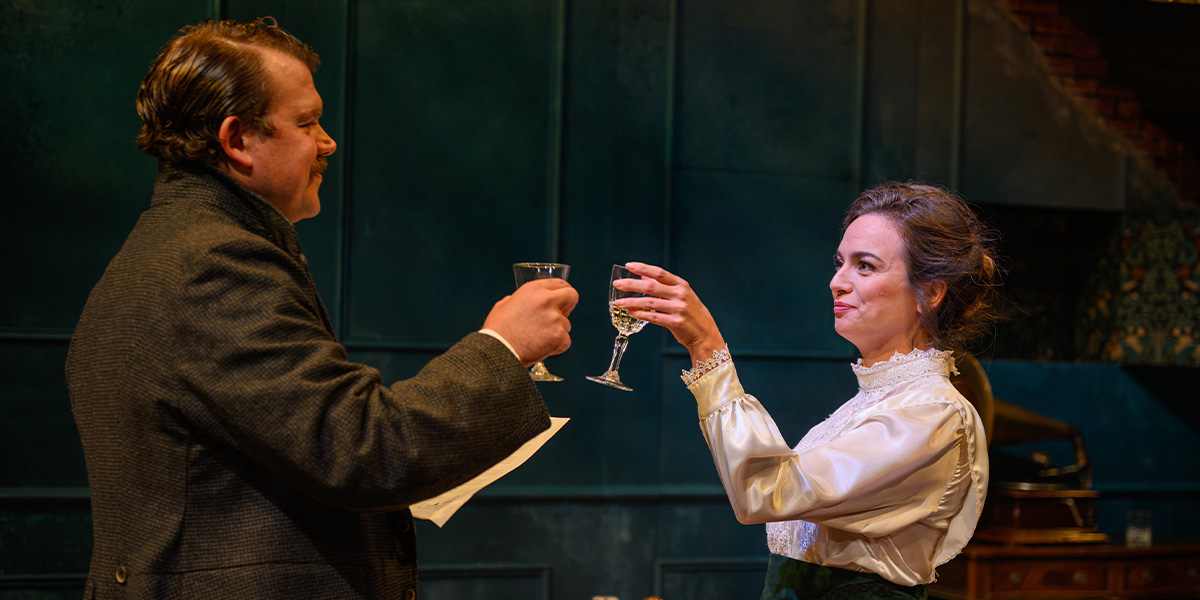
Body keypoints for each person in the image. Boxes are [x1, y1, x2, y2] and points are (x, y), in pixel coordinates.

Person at [64, 17, 577, 600]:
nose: (327, 141)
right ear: (237, 140)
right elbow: (362, 451)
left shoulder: (172, 246)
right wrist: (504, 347)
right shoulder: (213, 263)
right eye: (307, 122)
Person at [616, 182, 999, 599]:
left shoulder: (931, 412)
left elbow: (766, 491)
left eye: (865, 266)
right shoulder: (877, 400)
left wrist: (706, 346)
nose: (837, 281)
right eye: (839, 263)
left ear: (931, 292)